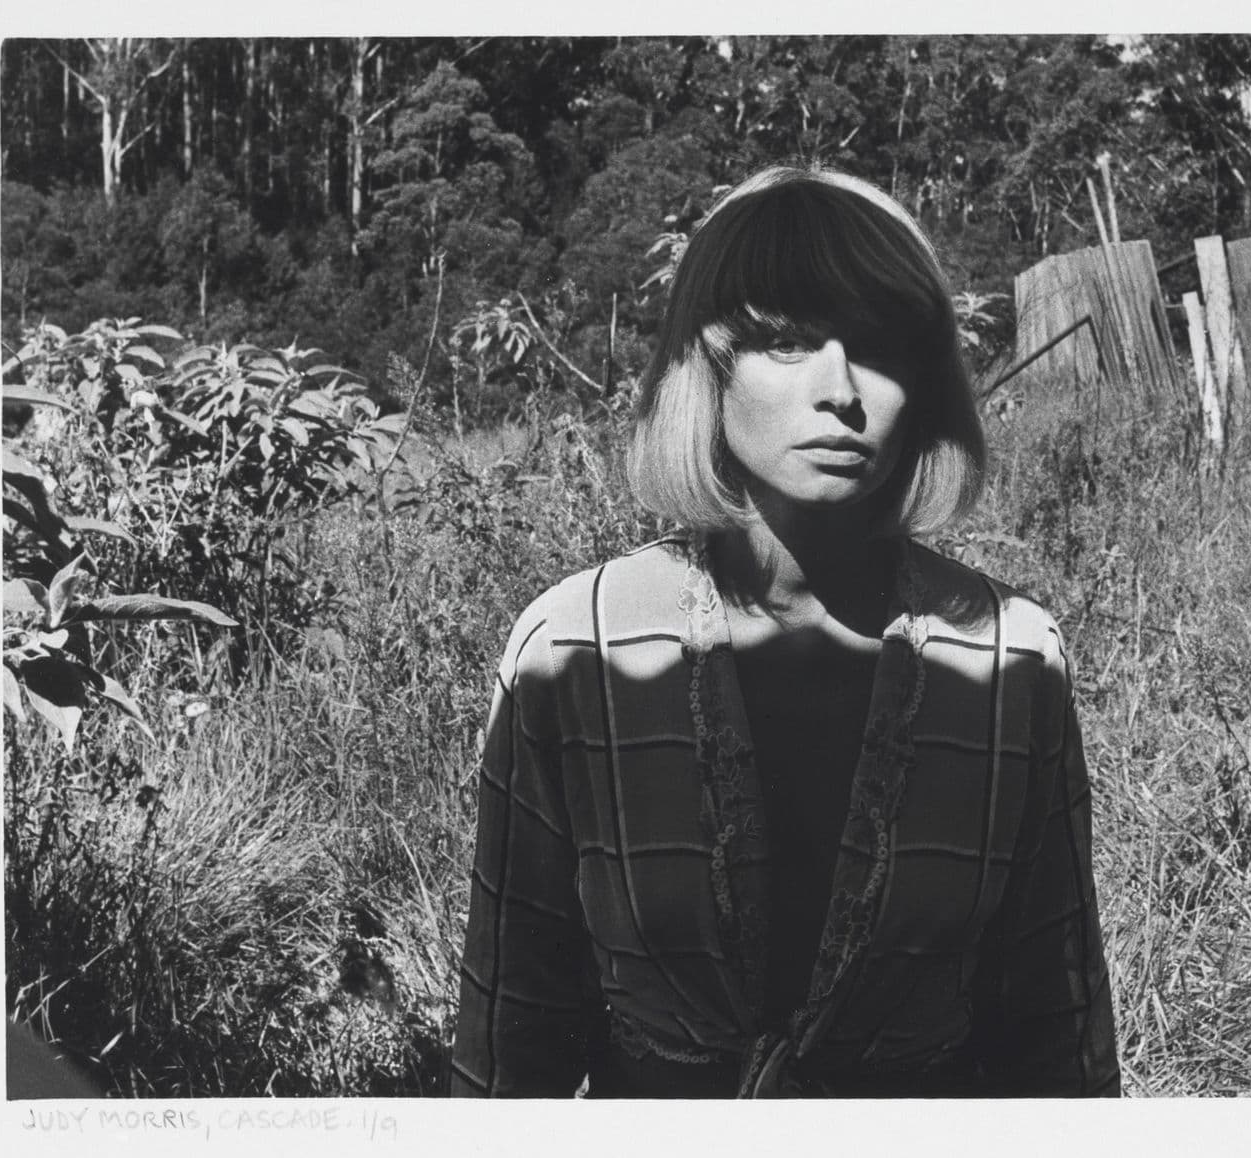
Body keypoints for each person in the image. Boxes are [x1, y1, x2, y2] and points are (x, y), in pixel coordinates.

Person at [451, 165, 1119, 1098]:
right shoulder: (575, 649)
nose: (840, 389)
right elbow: (508, 1038)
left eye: (881, 346)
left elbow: (1059, 1032)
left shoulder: (1010, 657)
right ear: (707, 369)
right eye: (787, 341)